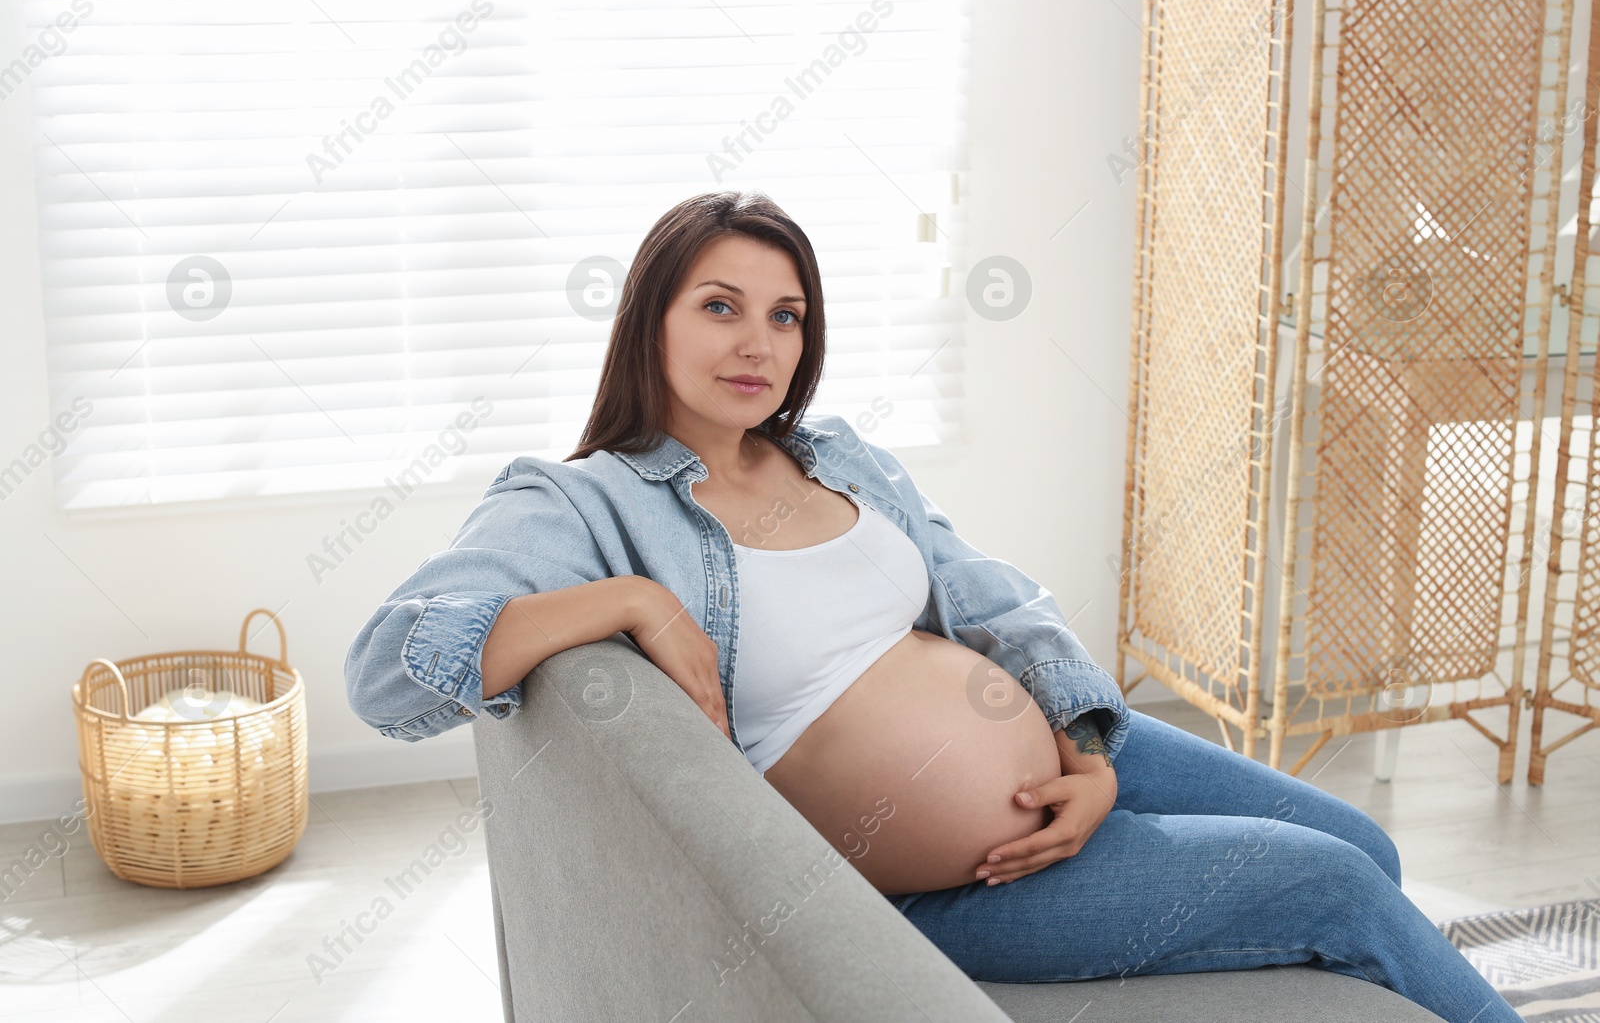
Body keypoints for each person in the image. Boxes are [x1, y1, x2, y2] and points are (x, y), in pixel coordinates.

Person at [343, 190, 1523, 1023]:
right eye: (720, 305)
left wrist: (1090, 748)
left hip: (1070, 762)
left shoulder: (838, 454)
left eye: (785, 314)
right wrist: (637, 597)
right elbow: (389, 670)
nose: (758, 342)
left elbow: (989, 596)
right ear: (649, 313)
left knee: (1366, 839)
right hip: (947, 880)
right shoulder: (580, 499)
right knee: (1337, 885)